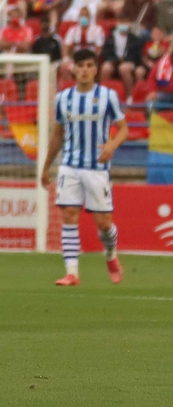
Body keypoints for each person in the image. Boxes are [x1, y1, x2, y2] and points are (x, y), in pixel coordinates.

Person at [42, 48, 128, 286]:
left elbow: (124, 128)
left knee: (104, 224)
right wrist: (46, 166)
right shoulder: (63, 98)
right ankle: (72, 272)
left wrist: (112, 145)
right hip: (69, 166)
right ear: (73, 69)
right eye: (80, 66)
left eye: (89, 66)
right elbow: (57, 134)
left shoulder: (108, 96)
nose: (85, 70)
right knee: (69, 215)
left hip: (97, 168)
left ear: (96, 69)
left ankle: (110, 254)